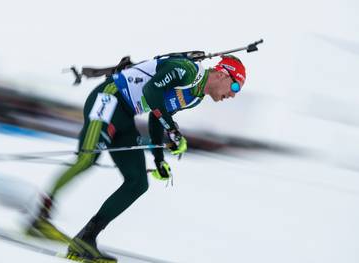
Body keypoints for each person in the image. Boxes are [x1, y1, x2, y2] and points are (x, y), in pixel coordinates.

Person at [25, 55, 247, 262]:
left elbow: (156, 115)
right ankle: (39, 218)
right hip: (108, 99)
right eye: (235, 86)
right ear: (222, 74)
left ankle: (85, 238)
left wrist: (159, 160)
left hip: (125, 115)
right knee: (87, 160)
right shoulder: (187, 70)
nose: (233, 95)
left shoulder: (195, 96)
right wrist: (174, 131)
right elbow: (152, 92)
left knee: (138, 182)